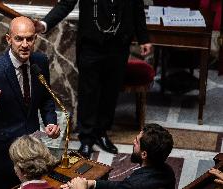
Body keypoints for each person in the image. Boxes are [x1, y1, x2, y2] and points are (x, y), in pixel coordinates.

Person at [35, 0, 152, 158]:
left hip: (119, 45)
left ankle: (102, 133)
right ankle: (87, 139)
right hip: (91, 45)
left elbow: (137, 8)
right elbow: (66, 4)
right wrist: (45, 23)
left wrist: (143, 38)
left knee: (110, 92)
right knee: (88, 93)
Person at [0, 16, 61, 189]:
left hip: (30, 159)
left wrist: (51, 122)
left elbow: (46, 98)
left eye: (29, 39)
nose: (25, 44)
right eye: (19, 38)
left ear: (35, 39)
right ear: (9, 39)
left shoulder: (40, 62)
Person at [61, 123, 176, 189]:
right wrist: (93, 183)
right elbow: (121, 187)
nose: (133, 142)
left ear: (144, 154)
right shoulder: (168, 172)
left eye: (137, 141)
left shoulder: (135, 185)